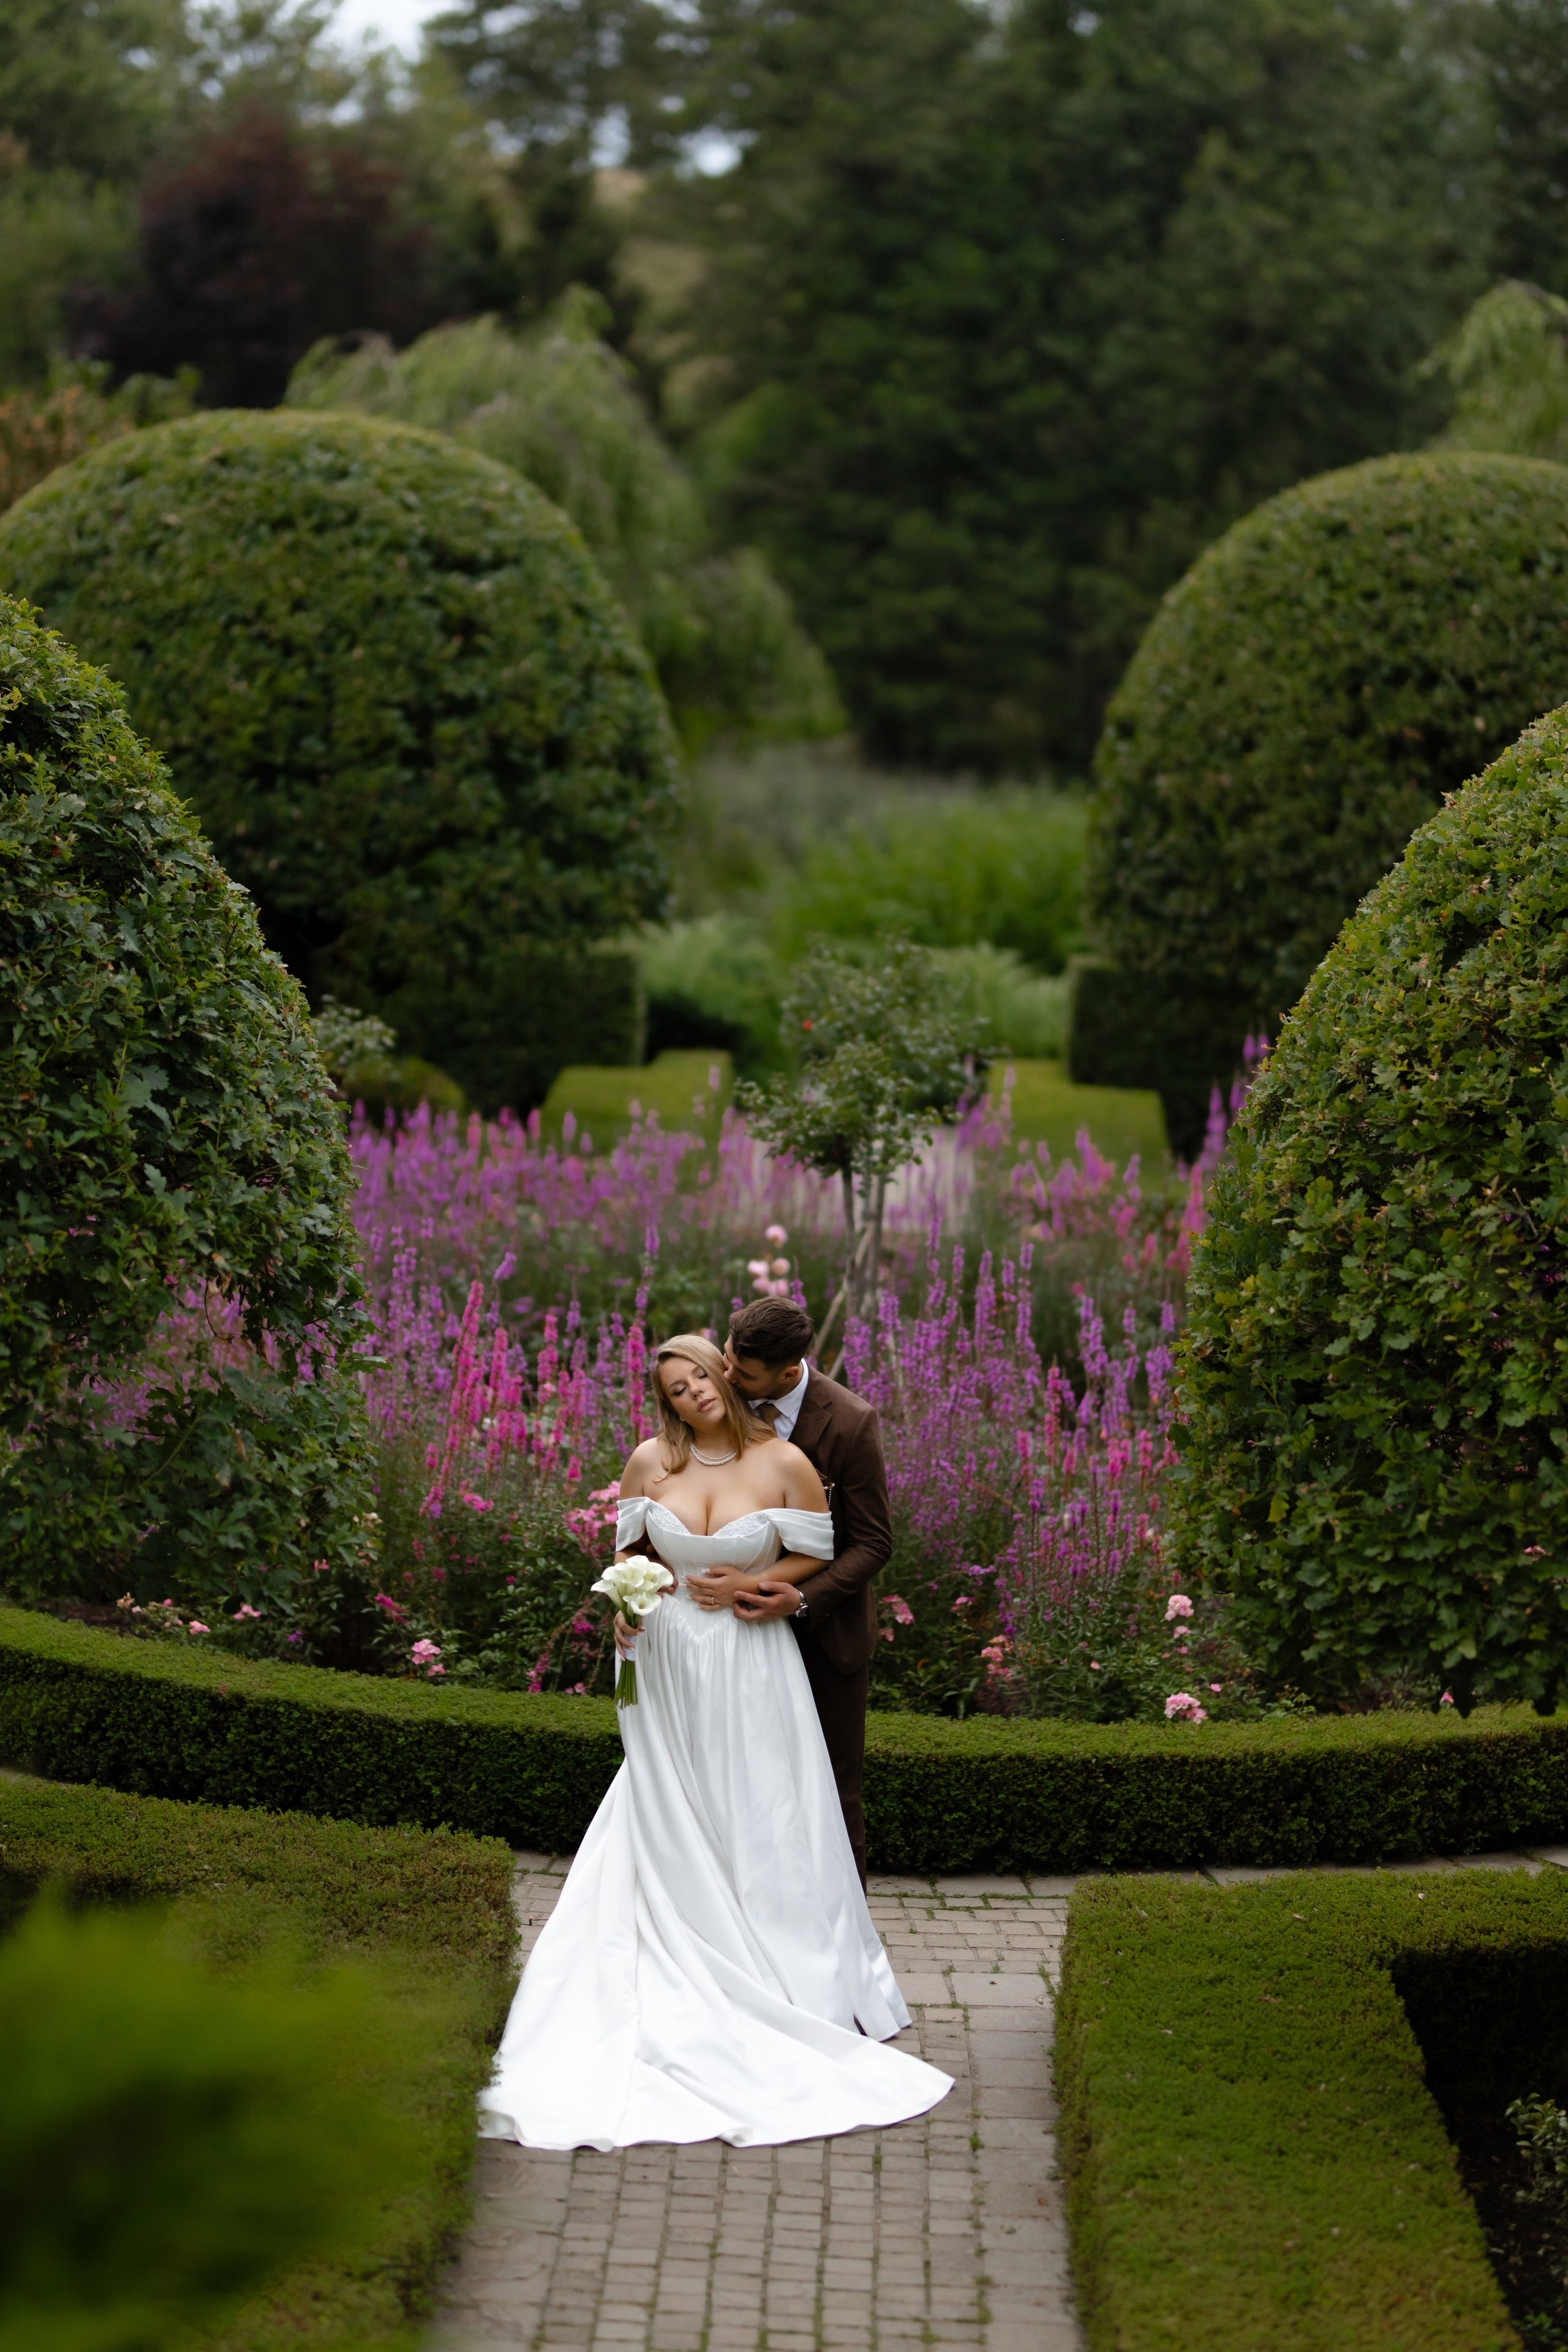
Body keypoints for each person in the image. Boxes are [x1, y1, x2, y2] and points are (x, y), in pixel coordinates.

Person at [477, 1332, 950, 2151]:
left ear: (724, 1375)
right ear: (664, 1400)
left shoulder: (786, 1464)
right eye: (673, 1385)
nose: (691, 1390)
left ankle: (776, 1978)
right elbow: (632, 1554)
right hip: (663, 1665)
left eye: (699, 1372)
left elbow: (823, 1552)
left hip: (748, 1662)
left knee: (757, 1808)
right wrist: (626, 1603)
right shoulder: (648, 1463)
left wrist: (758, 1584)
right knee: (668, 1806)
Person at [716, 1295, 889, 1891]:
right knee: (737, 1786)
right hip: (729, 1630)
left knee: (832, 1793)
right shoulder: (720, 1401)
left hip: (825, 1638)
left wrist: (803, 1599)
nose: (727, 1375)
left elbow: (873, 1543)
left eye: (743, 1371)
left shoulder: (849, 1421)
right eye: (727, 1358)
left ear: (790, 1372)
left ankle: (850, 1953)